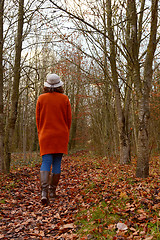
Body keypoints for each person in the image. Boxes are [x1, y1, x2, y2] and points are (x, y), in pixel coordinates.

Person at [36, 73, 72, 205]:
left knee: (46, 161)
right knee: (57, 162)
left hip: (45, 135)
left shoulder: (41, 98)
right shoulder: (64, 99)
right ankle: (52, 191)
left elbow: (38, 120)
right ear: (59, 85)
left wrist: (41, 133)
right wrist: (65, 132)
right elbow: (69, 120)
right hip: (61, 135)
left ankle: (44, 193)